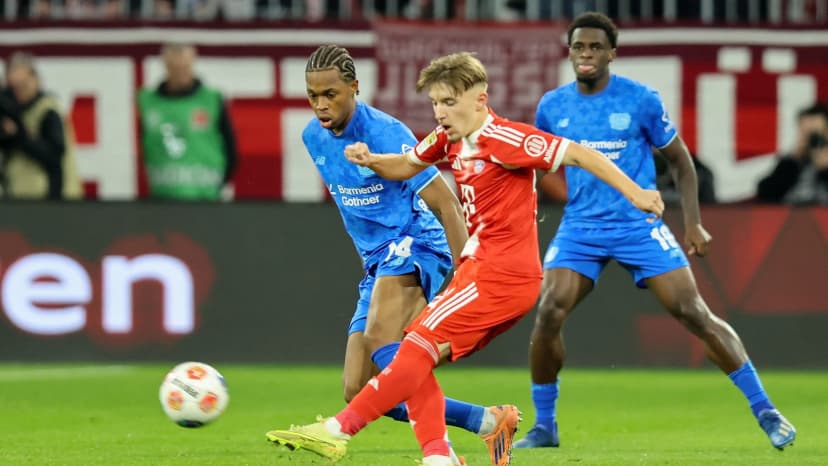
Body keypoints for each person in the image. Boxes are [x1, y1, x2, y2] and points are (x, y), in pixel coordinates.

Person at [265, 51, 664, 466]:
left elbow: (581, 154)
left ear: (480, 99)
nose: (440, 112)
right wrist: (372, 162)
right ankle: (478, 428)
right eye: (436, 103)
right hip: (464, 270)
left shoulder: (507, 140)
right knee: (378, 373)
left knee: (408, 348)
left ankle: (341, 432)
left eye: (450, 102)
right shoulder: (445, 138)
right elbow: (407, 163)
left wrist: (636, 193)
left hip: (484, 268)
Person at [513, 12, 796, 451]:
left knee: (693, 313)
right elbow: (534, 165)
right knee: (549, 312)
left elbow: (681, 162)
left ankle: (766, 411)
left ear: (612, 53)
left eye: (594, 47)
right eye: (578, 47)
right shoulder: (553, 106)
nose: (585, 55)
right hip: (581, 227)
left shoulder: (641, 100)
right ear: (569, 52)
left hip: (638, 225)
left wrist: (694, 222)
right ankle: (545, 426)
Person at [296, 44, 523, 466]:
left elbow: (447, 203)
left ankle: (440, 455)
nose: (321, 105)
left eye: (331, 94)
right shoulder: (313, 138)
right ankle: (488, 421)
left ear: (354, 88)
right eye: (313, 96)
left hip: (418, 244)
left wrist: (465, 273)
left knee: (383, 339)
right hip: (378, 262)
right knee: (357, 387)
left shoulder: (385, 132)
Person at [137, 43, 237, 200]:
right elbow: (141, 145)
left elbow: (231, 149)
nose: (181, 73)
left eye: (185, 67)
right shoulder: (148, 102)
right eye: (176, 68)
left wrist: (216, 184)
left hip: (205, 199)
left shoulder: (211, 99)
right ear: (166, 67)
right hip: (162, 199)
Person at [0, 51, 82, 200]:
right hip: (21, 200)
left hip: (50, 202)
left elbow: (54, 155)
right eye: (13, 88)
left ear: (35, 80)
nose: (18, 92)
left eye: (22, 85)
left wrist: (20, 135)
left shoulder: (47, 111)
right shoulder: (13, 113)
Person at [757, 102, 828, 204]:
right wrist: (794, 160)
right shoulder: (791, 161)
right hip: (792, 216)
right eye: (805, 132)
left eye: (815, 133)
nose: (812, 139)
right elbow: (766, 193)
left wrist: (825, 169)